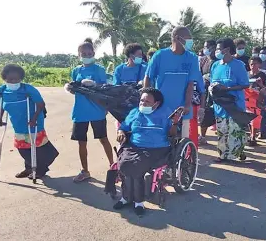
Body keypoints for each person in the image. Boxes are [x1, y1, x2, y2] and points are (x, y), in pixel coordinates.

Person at [114, 88, 182, 216]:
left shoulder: (165, 114)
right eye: (141, 100)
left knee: (136, 165)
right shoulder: (135, 112)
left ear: (156, 103)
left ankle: (138, 202)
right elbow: (123, 127)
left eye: (147, 101)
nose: (143, 103)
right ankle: (126, 197)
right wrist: (121, 132)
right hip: (134, 146)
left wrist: (174, 123)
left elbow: (172, 135)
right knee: (123, 164)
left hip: (157, 149)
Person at [0, 64, 59, 179]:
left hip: (34, 123)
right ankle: (29, 167)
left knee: (38, 148)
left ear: (21, 78)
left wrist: (34, 118)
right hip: (18, 125)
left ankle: (40, 169)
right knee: (23, 149)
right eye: (10, 79)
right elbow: (1, 106)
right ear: (4, 78)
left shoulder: (28, 89)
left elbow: (41, 104)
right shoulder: (2, 90)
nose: (14, 81)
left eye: (17, 79)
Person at [144, 26, 203, 138]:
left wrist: (187, 105)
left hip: (182, 110)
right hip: (161, 109)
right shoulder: (160, 55)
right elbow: (148, 77)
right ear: (177, 38)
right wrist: (147, 100)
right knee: (160, 141)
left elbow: (190, 84)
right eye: (188, 38)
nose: (190, 41)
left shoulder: (192, 58)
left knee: (181, 141)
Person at [70, 39, 114, 182]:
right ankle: (85, 171)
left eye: (89, 53)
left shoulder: (99, 69)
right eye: (83, 53)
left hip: (97, 111)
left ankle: (113, 167)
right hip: (80, 112)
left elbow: (104, 88)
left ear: (94, 53)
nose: (87, 55)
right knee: (81, 142)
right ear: (79, 55)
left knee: (103, 139)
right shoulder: (76, 70)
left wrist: (94, 84)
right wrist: (71, 88)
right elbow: (74, 87)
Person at [210, 38, 249, 162]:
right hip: (220, 104)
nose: (216, 51)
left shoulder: (238, 65)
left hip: (234, 103)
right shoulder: (215, 65)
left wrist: (228, 88)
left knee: (235, 130)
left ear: (227, 50)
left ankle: (238, 152)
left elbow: (245, 84)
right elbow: (211, 81)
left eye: (218, 48)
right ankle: (222, 155)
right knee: (222, 130)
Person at [246, 57, 266, 146]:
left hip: (258, 99)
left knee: (256, 118)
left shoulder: (263, 75)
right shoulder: (246, 74)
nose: (253, 66)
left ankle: (253, 136)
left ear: (259, 65)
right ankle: (252, 135)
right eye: (251, 64)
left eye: (255, 64)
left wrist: (260, 84)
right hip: (247, 99)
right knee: (248, 118)